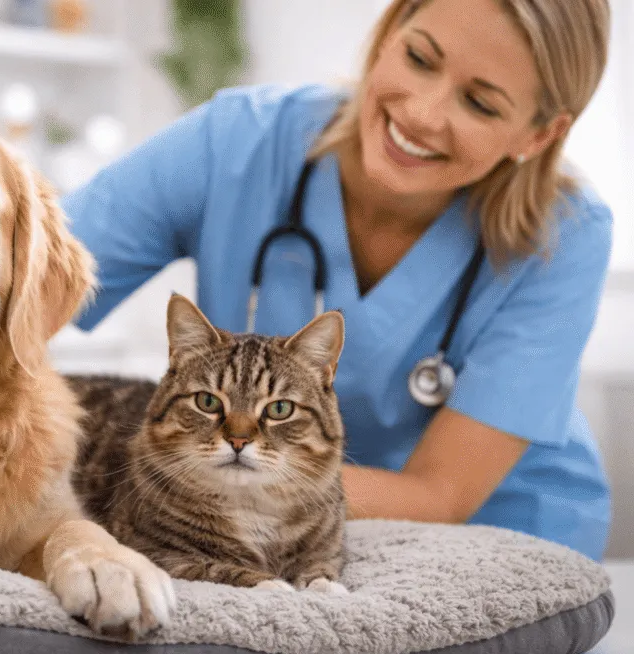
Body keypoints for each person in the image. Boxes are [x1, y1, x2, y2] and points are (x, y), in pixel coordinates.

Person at [61, 0, 615, 560]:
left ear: (540, 136)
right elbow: (23, 281)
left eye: (479, 103)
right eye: (419, 57)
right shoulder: (238, 142)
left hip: (500, 536)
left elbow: (440, 495)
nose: (422, 114)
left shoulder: (566, 235)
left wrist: (177, 480)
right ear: (387, 32)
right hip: (232, 520)